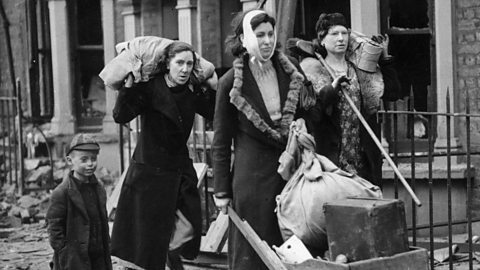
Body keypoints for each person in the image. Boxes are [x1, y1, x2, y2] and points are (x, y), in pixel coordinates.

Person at [212, 9, 312, 270]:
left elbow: (304, 115)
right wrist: (221, 190)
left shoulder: (291, 71)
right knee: (252, 252)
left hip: (288, 175)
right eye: (259, 35)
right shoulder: (230, 82)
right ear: (244, 39)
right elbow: (221, 141)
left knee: (289, 245)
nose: (267, 41)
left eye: (270, 34)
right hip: (252, 181)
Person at [110, 41, 215, 270]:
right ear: (168, 64)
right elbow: (120, 116)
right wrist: (128, 87)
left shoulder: (191, 90)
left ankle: (169, 255)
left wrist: (212, 84)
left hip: (178, 168)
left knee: (189, 226)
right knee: (149, 241)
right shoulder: (150, 88)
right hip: (151, 171)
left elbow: (213, 111)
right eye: (179, 63)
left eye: (189, 64)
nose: (185, 69)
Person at [298, 13, 401, 187]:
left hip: (363, 158)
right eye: (334, 34)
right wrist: (332, 89)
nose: (341, 38)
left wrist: (384, 59)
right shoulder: (312, 71)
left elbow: (393, 92)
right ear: (322, 39)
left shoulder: (359, 70)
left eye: (344, 33)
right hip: (331, 159)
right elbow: (312, 115)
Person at [47, 133, 112, 270]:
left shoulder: (98, 188)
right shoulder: (62, 192)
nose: (90, 164)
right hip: (74, 259)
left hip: (98, 256)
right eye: (84, 160)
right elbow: (54, 228)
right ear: (70, 161)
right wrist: (64, 251)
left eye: (93, 159)